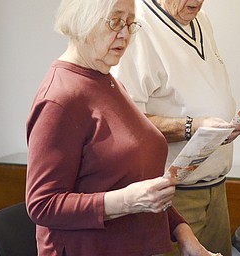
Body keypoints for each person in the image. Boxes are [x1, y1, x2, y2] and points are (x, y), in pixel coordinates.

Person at [25, 0, 223, 255]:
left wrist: (183, 234)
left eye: (130, 24)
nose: (125, 34)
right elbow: (42, 204)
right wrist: (127, 201)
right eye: (115, 21)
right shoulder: (60, 98)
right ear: (83, 19)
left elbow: (143, 183)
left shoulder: (109, 82)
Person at [112, 0, 240, 255]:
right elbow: (126, 121)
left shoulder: (201, 18)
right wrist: (191, 127)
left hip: (216, 188)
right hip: (174, 198)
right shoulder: (138, 26)